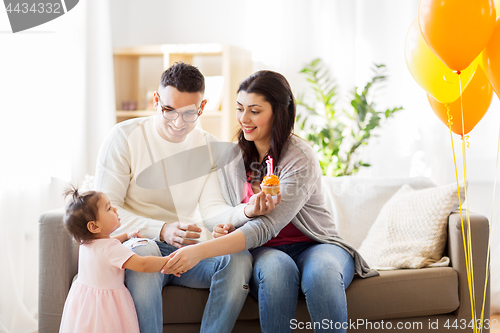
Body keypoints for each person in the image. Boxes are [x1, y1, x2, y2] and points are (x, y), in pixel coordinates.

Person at [163, 70, 379, 333]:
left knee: (322, 274)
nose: (244, 119)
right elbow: (222, 213)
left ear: (278, 112)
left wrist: (197, 251)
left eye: (254, 111)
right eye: (240, 109)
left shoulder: (299, 156)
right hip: (264, 251)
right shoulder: (231, 158)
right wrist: (232, 223)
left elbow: (266, 226)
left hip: (315, 245)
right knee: (277, 272)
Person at [94, 62, 279, 333]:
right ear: (156, 100)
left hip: (186, 251)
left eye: (189, 114)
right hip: (140, 244)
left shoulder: (209, 148)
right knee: (145, 248)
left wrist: (247, 212)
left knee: (238, 259)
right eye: (169, 110)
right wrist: (162, 229)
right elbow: (107, 213)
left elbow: (213, 209)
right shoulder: (124, 137)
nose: (178, 123)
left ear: (202, 108)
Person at [59, 188, 172, 333]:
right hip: (107, 308)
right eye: (109, 208)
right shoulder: (111, 250)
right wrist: (168, 261)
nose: (115, 209)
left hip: (86, 304)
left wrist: (126, 235)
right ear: (94, 226)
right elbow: (143, 265)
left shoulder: (86, 243)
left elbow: (106, 244)